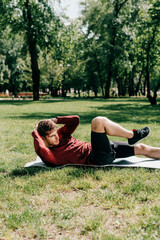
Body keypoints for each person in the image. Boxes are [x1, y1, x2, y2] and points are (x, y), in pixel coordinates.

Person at [32, 115, 160, 167]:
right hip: (97, 157)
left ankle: (133, 137)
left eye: (56, 134)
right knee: (98, 121)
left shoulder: (62, 135)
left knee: (143, 148)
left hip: (100, 148)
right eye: (52, 136)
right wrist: (35, 133)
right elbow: (41, 148)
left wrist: (56, 120)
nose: (57, 138)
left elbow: (75, 120)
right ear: (43, 138)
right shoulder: (50, 154)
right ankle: (133, 136)